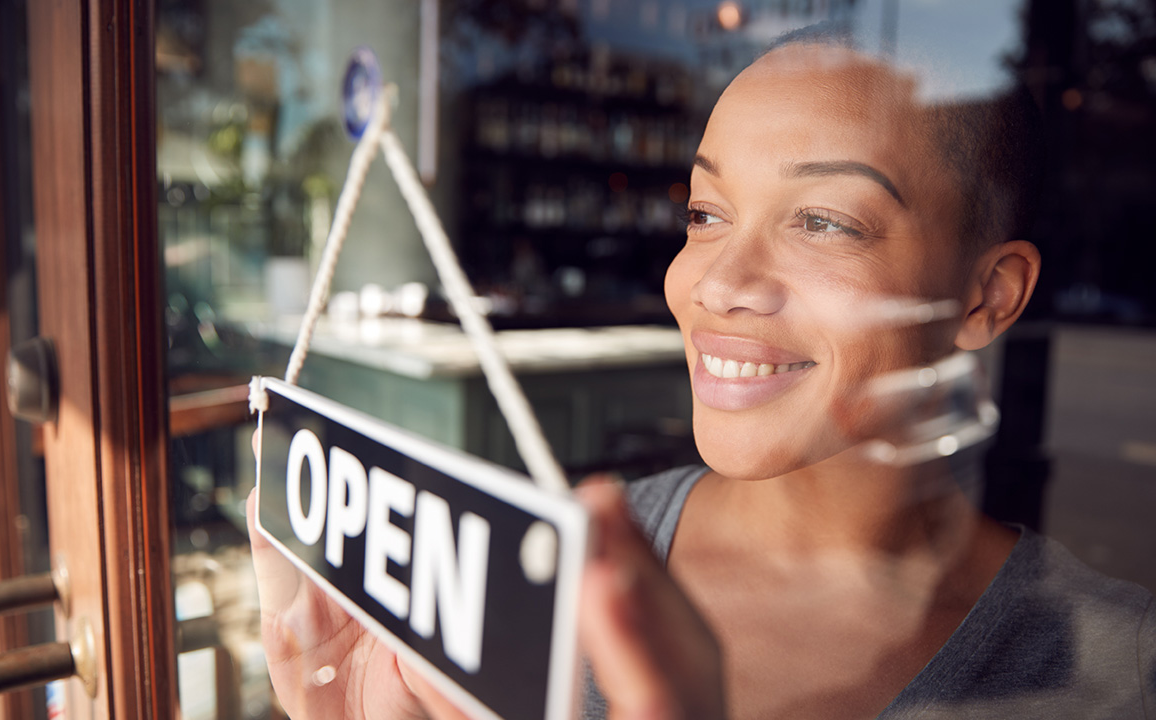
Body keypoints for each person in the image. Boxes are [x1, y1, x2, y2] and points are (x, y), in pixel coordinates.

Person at [247, 29, 1156, 720]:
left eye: (824, 223)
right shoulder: (550, 568)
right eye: (706, 211)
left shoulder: (1118, 671)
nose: (714, 282)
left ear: (986, 295)